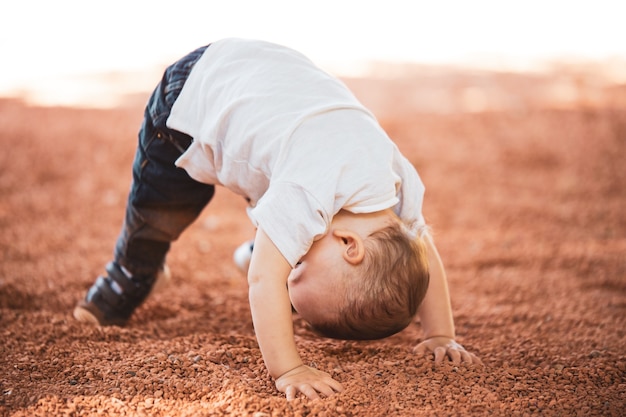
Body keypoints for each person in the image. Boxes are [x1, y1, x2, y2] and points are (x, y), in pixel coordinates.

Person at [73, 38, 480, 400]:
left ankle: (263, 247)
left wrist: (440, 333)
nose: (289, 274)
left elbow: (422, 252)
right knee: (162, 206)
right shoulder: (308, 191)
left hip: (271, 78)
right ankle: (134, 269)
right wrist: (289, 368)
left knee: (282, 208)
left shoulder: (394, 187)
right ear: (349, 246)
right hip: (192, 98)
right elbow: (264, 280)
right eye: (298, 268)